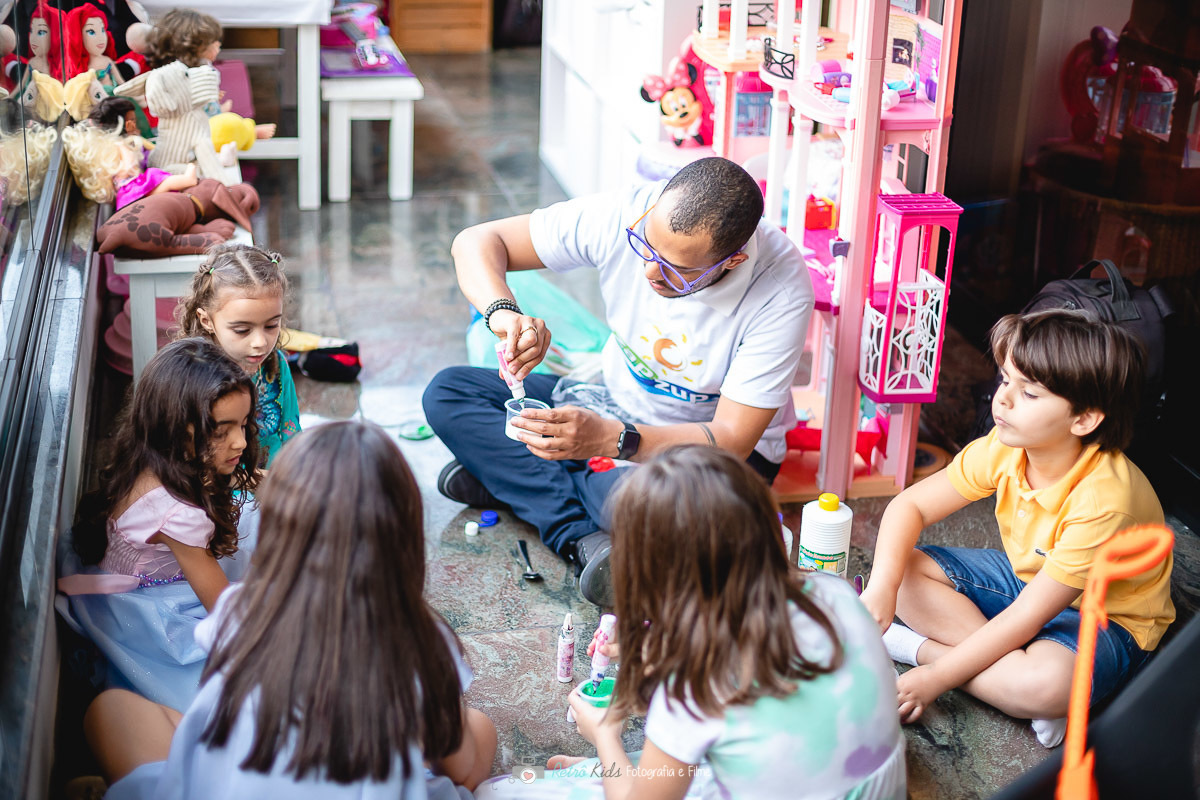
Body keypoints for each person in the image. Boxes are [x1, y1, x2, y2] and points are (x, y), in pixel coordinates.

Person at [423, 157, 812, 605]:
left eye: (675, 270)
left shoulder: (780, 292)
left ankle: (527, 490)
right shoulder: (630, 213)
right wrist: (503, 312)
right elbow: (476, 241)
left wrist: (613, 441)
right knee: (449, 392)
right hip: (609, 403)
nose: (649, 272)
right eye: (646, 247)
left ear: (733, 260)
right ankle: (582, 526)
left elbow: (730, 440)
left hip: (706, 459)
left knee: (677, 519)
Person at [86, 421, 498, 799]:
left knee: (110, 711)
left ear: (279, 532)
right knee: (477, 727)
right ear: (402, 540)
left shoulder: (241, 608)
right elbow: (458, 763)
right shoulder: (423, 641)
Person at [474, 446, 905, 799]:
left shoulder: (691, 682)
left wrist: (604, 737)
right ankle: (610, 774)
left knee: (502, 792)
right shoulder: (835, 593)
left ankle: (606, 773)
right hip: (863, 785)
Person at [859, 309, 1175, 748]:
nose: (1002, 400)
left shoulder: (1104, 502)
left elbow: (1028, 618)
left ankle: (921, 649)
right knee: (903, 572)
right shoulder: (1008, 446)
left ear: (1083, 420)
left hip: (1107, 617)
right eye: (1006, 379)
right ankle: (1018, 689)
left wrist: (935, 674)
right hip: (1031, 580)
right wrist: (881, 587)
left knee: (1040, 685)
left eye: (1029, 393)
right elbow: (909, 506)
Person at [58, 338, 259, 711]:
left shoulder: (150, 455)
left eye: (244, 425)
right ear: (176, 427)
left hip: (120, 580)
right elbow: (221, 606)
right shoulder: (176, 513)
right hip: (148, 612)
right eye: (222, 430)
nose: (241, 442)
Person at [176, 243, 299, 467]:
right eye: (242, 330)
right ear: (207, 321)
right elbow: (193, 462)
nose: (260, 343)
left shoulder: (276, 365)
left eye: (271, 325)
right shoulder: (192, 379)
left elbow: (291, 430)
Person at [143, 8, 276, 141]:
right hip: (188, 140)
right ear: (194, 47)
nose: (217, 46)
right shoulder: (186, 76)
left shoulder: (177, 73)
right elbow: (200, 120)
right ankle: (249, 132)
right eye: (211, 42)